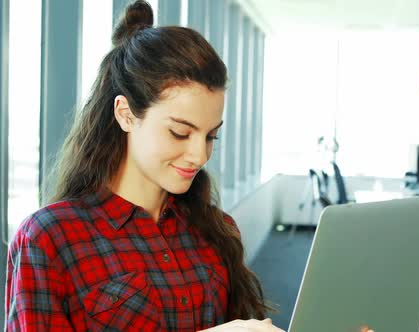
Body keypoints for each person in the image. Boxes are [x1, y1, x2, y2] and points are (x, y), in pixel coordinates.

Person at [5, 1, 283, 331]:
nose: (199, 155)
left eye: (211, 136)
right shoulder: (49, 237)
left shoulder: (217, 229)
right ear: (125, 114)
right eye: (180, 132)